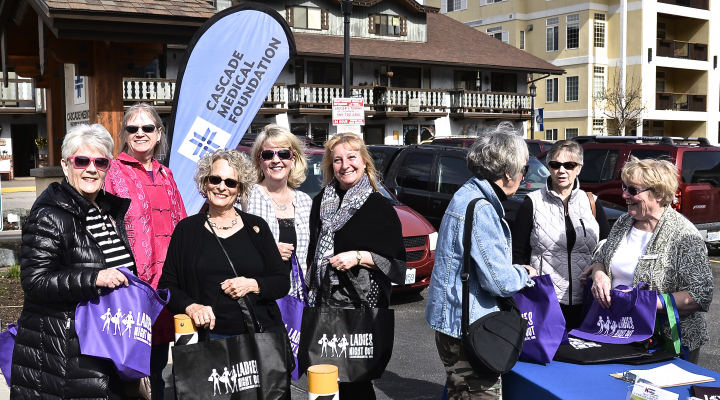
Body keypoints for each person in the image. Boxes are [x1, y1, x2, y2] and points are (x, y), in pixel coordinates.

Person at [11, 124, 137, 399]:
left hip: (105, 345)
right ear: (67, 166)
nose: (91, 168)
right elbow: (34, 281)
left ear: (108, 168)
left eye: (100, 161)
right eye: (82, 160)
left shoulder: (106, 212)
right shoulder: (50, 214)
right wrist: (95, 278)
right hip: (64, 353)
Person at [157, 149, 290, 383]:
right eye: (215, 179)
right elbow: (167, 285)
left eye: (230, 182)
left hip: (256, 337)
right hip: (206, 341)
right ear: (205, 182)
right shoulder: (186, 230)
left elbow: (281, 281)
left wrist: (252, 284)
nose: (221, 187)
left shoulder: (256, 228)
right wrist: (191, 307)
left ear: (239, 189)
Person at [425, 127, 537, 400]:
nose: (525, 176)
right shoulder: (482, 208)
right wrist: (523, 272)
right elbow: (499, 281)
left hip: (451, 323)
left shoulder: (466, 195)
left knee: (458, 394)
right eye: (525, 169)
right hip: (469, 328)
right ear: (508, 173)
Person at [306, 132, 407, 400]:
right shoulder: (319, 203)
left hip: (360, 308)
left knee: (356, 381)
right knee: (325, 380)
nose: (344, 165)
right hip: (324, 306)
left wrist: (359, 256)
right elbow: (312, 255)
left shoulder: (379, 206)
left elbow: (398, 264)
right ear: (330, 166)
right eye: (337, 160)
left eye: (351, 157)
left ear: (364, 162)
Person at [585, 157, 713, 364]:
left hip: (667, 342)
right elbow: (601, 257)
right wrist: (599, 274)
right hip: (620, 332)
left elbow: (700, 294)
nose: (624, 194)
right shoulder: (624, 221)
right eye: (624, 187)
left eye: (633, 190)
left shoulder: (683, 235)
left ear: (659, 194)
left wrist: (644, 302)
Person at [104, 102, 187, 398]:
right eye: (133, 128)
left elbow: (184, 225)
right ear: (125, 134)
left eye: (147, 127)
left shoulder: (166, 174)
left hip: (165, 288)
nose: (140, 133)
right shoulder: (112, 173)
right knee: (127, 373)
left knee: (157, 370)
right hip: (131, 288)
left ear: (159, 132)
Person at [511, 140, 610, 330]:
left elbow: (606, 248)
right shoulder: (532, 203)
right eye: (555, 165)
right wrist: (525, 271)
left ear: (579, 168)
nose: (561, 170)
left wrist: (599, 272)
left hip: (588, 300)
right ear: (548, 167)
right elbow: (516, 253)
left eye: (569, 165)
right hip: (546, 300)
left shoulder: (591, 202)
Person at [245, 125, 313, 280]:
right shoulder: (245, 198)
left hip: (296, 298)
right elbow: (230, 246)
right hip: (259, 295)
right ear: (259, 160)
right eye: (268, 154)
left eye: (283, 153)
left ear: (293, 158)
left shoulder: (305, 202)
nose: (276, 160)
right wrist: (268, 251)